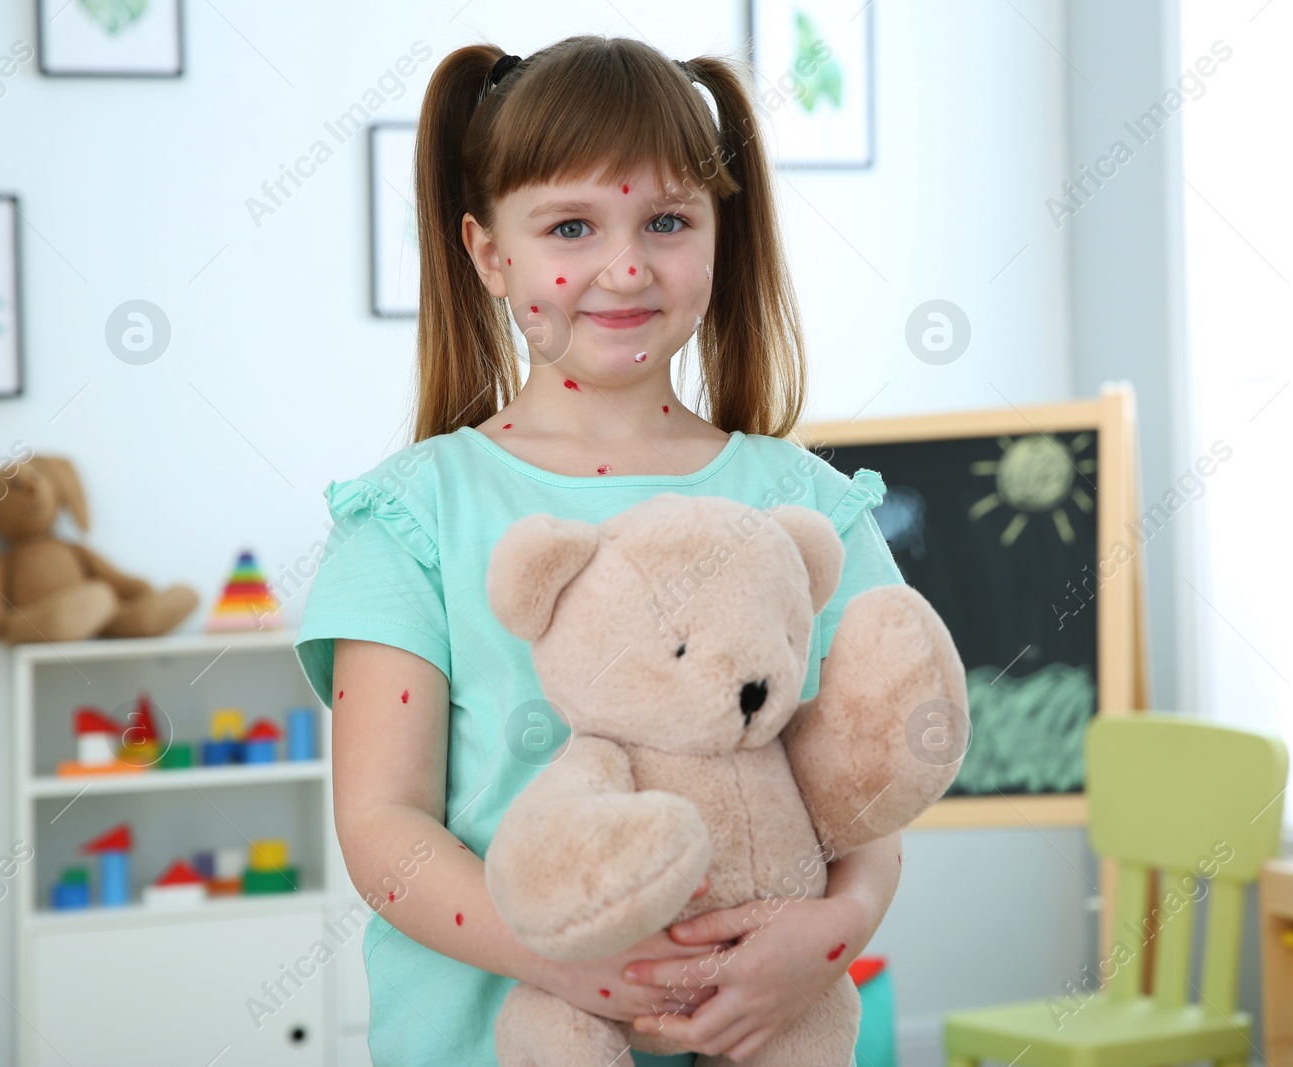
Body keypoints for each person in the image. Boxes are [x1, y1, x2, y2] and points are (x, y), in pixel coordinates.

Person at [294, 34, 906, 1066]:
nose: (625, 265)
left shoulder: (806, 506)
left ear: (719, 235)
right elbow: (383, 825)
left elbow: (867, 798)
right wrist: (561, 961)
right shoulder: (414, 514)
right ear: (491, 254)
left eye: (666, 221)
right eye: (570, 225)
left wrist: (825, 935)